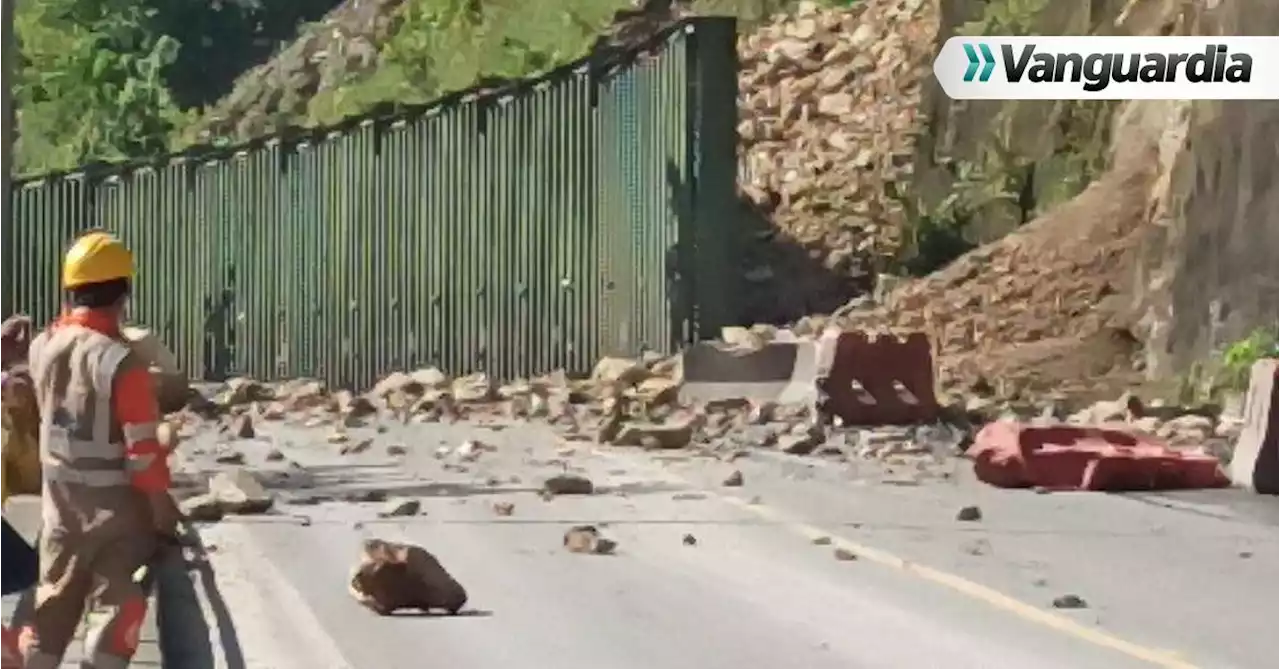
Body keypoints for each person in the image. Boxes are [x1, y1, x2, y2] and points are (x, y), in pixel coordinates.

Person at [18, 231, 179, 669]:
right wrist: (163, 513)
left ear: (69, 290)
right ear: (124, 293)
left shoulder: (41, 348)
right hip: (118, 520)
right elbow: (144, 455)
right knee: (117, 609)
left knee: (50, 607)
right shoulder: (121, 363)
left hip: (60, 516)